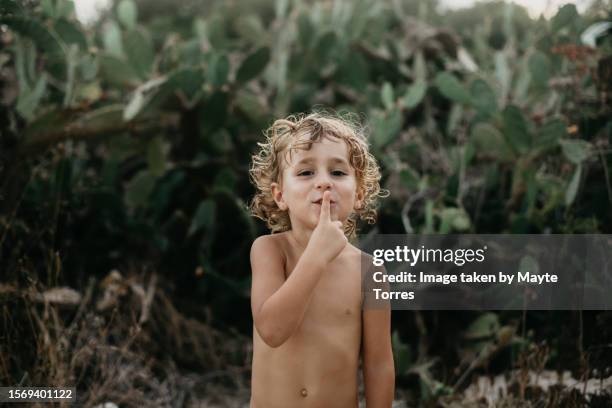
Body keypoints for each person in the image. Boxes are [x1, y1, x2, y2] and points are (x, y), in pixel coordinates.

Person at [248, 111, 395, 407]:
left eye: (338, 173)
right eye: (305, 172)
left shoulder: (370, 272)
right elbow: (272, 331)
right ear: (280, 195)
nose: (324, 183)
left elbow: (379, 365)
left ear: (359, 194)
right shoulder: (269, 251)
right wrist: (317, 255)